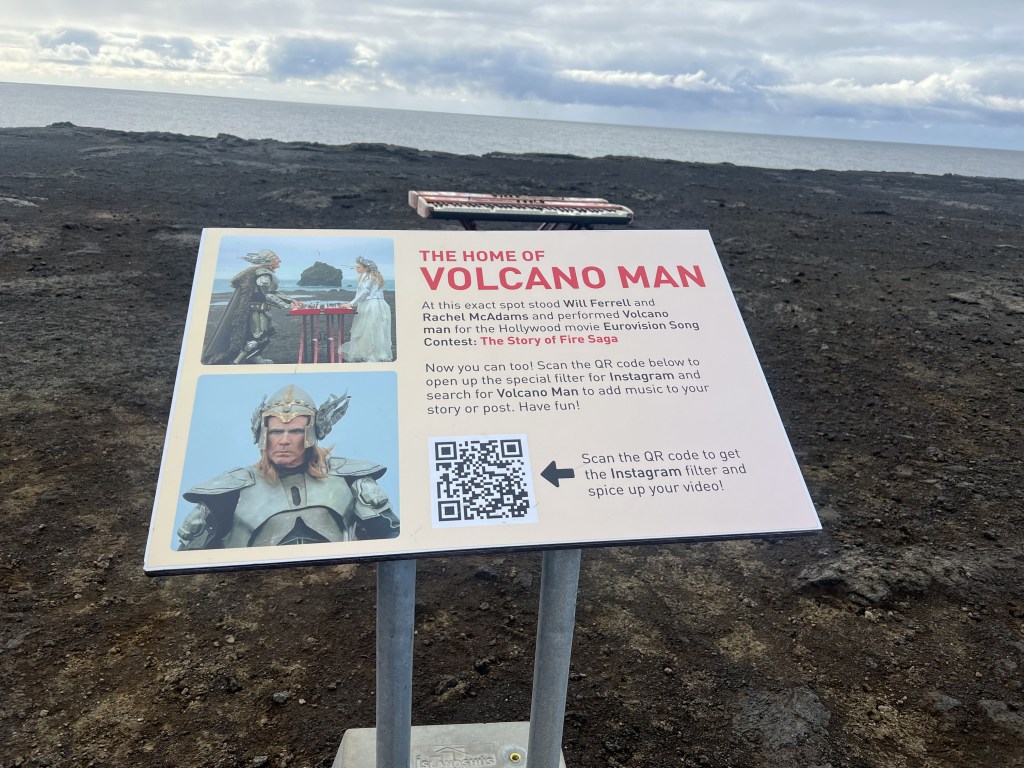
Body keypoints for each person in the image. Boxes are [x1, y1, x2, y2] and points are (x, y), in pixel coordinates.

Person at [176, 384, 399, 549]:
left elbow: (394, 541)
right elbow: (188, 563)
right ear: (263, 435)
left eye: (295, 431)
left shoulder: (351, 479)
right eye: (276, 432)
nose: (284, 441)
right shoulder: (228, 493)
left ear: (311, 435)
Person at [202, 249, 302, 365]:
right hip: (256, 313)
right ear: (269, 261)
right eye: (276, 260)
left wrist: (291, 300)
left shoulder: (262, 273)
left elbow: (272, 292)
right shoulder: (264, 274)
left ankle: (254, 358)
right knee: (256, 339)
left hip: (262, 312)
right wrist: (286, 305)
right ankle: (236, 362)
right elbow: (266, 295)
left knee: (264, 337)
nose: (279, 263)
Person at [341, 256, 393, 362]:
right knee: (377, 330)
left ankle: (370, 355)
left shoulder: (367, 276)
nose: (356, 269)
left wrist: (351, 303)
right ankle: (378, 354)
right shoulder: (372, 276)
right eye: (356, 267)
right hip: (379, 304)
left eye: (359, 267)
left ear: (366, 268)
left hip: (370, 305)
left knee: (368, 329)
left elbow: (364, 292)